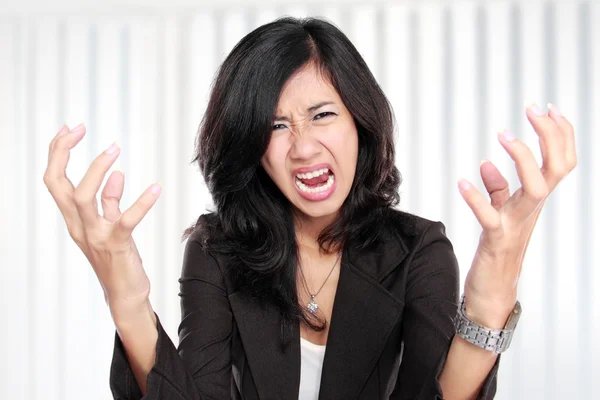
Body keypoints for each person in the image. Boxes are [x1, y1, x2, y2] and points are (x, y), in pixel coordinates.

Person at [43, 17, 577, 400]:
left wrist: (491, 293)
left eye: (321, 114)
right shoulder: (218, 250)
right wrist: (127, 296)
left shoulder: (417, 251)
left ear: (359, 124)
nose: (301, 147)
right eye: (275, 126)